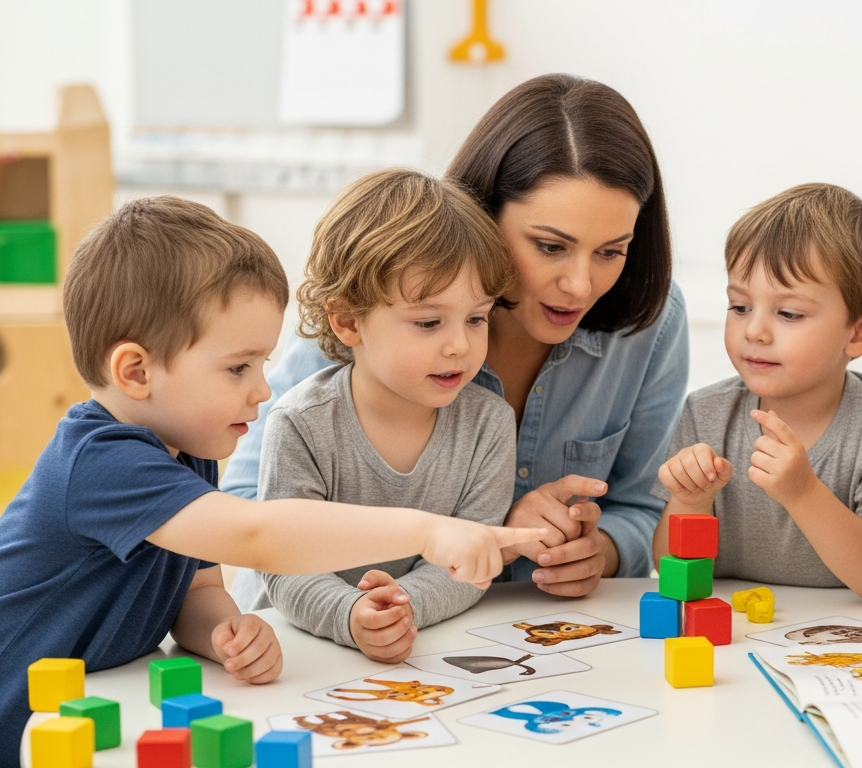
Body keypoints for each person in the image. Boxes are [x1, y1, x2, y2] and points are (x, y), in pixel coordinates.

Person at [0, 197, 544, 766]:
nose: (262, 390)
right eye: (239, 368)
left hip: (82, 717)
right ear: (136, 372)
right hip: (19, 721)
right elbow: (257, 535)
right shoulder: (100, 462)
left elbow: (198, 592)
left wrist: (225, 632)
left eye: (262, 365)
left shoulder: (186, 449)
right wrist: (430, 533)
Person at [222, 74, 687, 596]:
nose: (581, 285)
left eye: (610, 251)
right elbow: (248, 506)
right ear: (483, 217)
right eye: (550, 247)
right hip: (327, 628)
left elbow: (642, 507)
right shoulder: (377, 301)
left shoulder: (652, 320)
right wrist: (440, 540)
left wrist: (595, 550)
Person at [238, 169, 528, 665]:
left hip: (422, 650)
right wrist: (352, 615)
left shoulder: (489, 425)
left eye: (476, 318)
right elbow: (284, 565)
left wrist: (401, 608)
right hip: (292, 657)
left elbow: (473, 560)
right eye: (429, 322)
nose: (460, 344)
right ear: (348, 320)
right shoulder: (301, 425)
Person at [650, 184, 862, 605]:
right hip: (732, 637)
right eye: (740, 307)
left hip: (848, 646)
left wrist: (803, 493)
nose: (754, 331)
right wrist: (691, 502)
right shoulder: (706, 413)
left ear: (860, 332)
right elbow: (671, 571)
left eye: (789, 313)